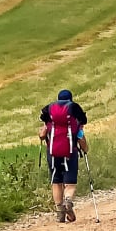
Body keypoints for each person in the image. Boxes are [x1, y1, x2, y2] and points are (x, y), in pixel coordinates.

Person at [39, 88, 88, 222]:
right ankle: (68, 201)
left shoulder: (50, 122)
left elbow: (42, 135)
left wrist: (43, 131)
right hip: (70, 153)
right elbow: (81, 140)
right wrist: (85, 149)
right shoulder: (74, 123)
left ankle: (60, 213)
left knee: (56, 182)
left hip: (52, 154)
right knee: (70, 184)